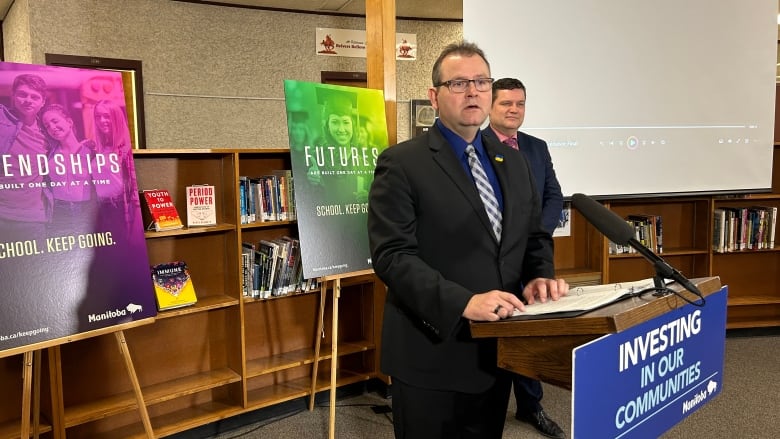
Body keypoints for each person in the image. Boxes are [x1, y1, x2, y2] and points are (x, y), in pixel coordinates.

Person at [368, 41, 569, 439]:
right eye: (459, 83)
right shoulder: (402, 163)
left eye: (481, 81)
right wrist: (463, 302)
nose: (473, 91)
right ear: (435, 96)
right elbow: (392, 256)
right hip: (432, 353)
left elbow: (532, 235)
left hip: (497, 354)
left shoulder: (514, 160)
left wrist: (538, 275)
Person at [485, 77, 566, 438]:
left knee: (531, 332)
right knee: (500, 332)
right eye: (506, 104)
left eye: (519, 104)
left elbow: (553, 195)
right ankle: (490, 408)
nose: (513, 110)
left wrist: (539, 232)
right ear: (490, 106)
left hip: (532, 257)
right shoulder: (478, 146)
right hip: (496, 258)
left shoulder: (537, 147)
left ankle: (531, 406)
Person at [0, 73, 50, 239]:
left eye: (34, 97)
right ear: (13, 96)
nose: (28, 100)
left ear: (42, 102)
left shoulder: (48, 133)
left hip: (34, 218)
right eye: (22, 94)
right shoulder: (2, 120)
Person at [41, 103, 100, 235]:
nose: (52, 127)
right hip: (58, 212)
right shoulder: (48, 154)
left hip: (85, 211)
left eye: (55, 121)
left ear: (69, 122)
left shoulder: (90, 152)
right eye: (47, 126)